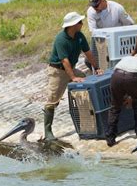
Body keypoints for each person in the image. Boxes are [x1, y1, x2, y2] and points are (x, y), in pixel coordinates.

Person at [44, 11, 103, 141]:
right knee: (52, 100)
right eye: (79, 22)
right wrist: (73, 78)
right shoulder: (61, 39)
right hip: (57, 71)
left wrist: (97, 67)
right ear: (72, 25)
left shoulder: (80, 36)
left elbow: (88, 53)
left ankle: (88, 121)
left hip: (71, 68)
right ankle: (47, 131)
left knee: (86, 85)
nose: (82, 24)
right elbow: (64, 61)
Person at [105, 53, 137, 147]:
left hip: (116, 75)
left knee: (115, 107)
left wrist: (126, 96)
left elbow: (116, 73)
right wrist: (132, 97)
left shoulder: (127, 58)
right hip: (133, 77)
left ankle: (110, 137)